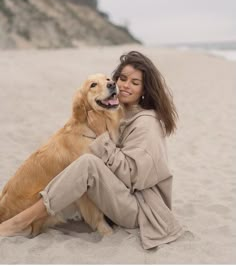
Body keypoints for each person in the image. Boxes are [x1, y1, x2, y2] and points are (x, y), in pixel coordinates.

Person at [0, 51, 184, 249]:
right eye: (121, 79)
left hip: (142, 209)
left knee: (87, 163)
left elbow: (130, 178)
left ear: (144, 89)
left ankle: (20, 222)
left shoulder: (146, 124)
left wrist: (102, 137)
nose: (123, 85)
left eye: (134, 82)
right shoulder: (120, 115)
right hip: (123, 199)